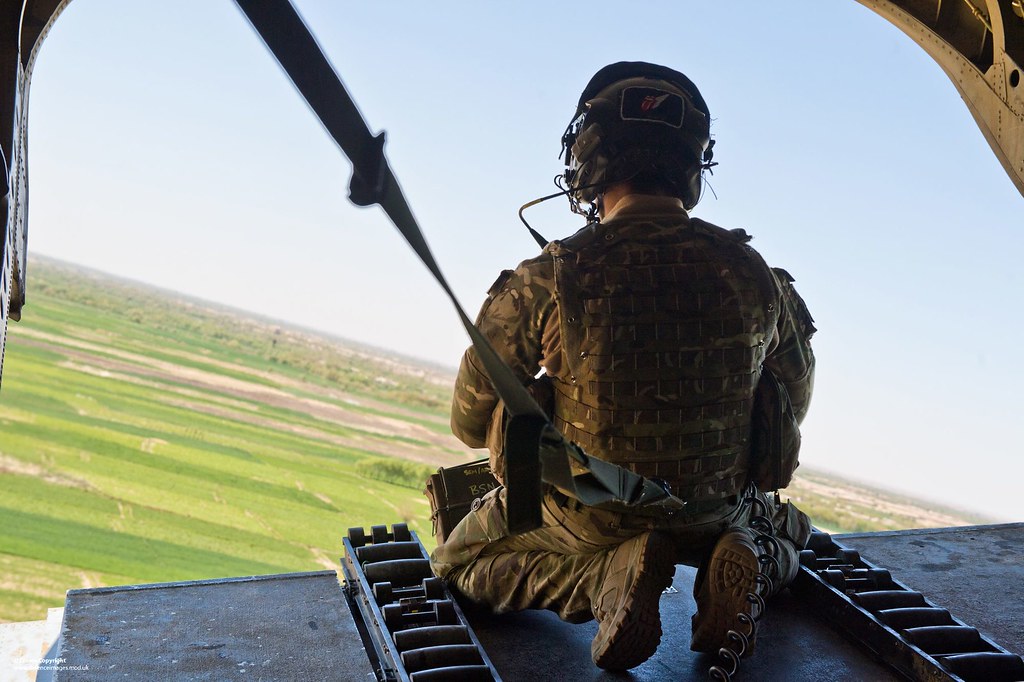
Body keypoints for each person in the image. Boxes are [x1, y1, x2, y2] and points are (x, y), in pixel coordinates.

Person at [430, 61, 815, 671]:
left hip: (587, 512)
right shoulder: (758, 278)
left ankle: (603, 578)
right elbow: (795, 394)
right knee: (793, 534)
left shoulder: (547, 279)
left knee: (459, 565)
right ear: (692, 166)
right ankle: (744, 562)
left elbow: (470, 422)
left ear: (588, 157)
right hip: (719, 507)